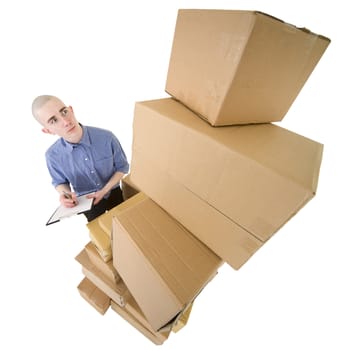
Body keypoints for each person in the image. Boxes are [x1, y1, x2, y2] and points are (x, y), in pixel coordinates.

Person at [32, 95, 129, 222]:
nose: (66, 122)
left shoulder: (106, 137)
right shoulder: (52, 156)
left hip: (113, 191)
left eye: (64, 112)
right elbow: (60, 182)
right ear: (48, 130)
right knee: (100, 233)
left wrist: (105, 189)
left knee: (125, 224)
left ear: (71, 110)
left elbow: (122, 167)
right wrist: (64, 194)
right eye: (53, 120)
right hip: (86, 202)